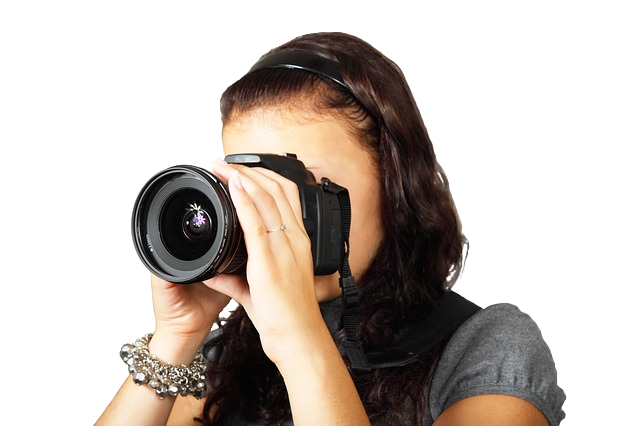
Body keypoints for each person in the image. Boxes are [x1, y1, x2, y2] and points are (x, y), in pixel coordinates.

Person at [96, 31, 566, 425]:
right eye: (251, 189)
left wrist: (298, 340)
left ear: (396, 186)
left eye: (299, 185)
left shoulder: (487, 347)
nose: (271, 216)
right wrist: (178, 336)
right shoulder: (235, 351)